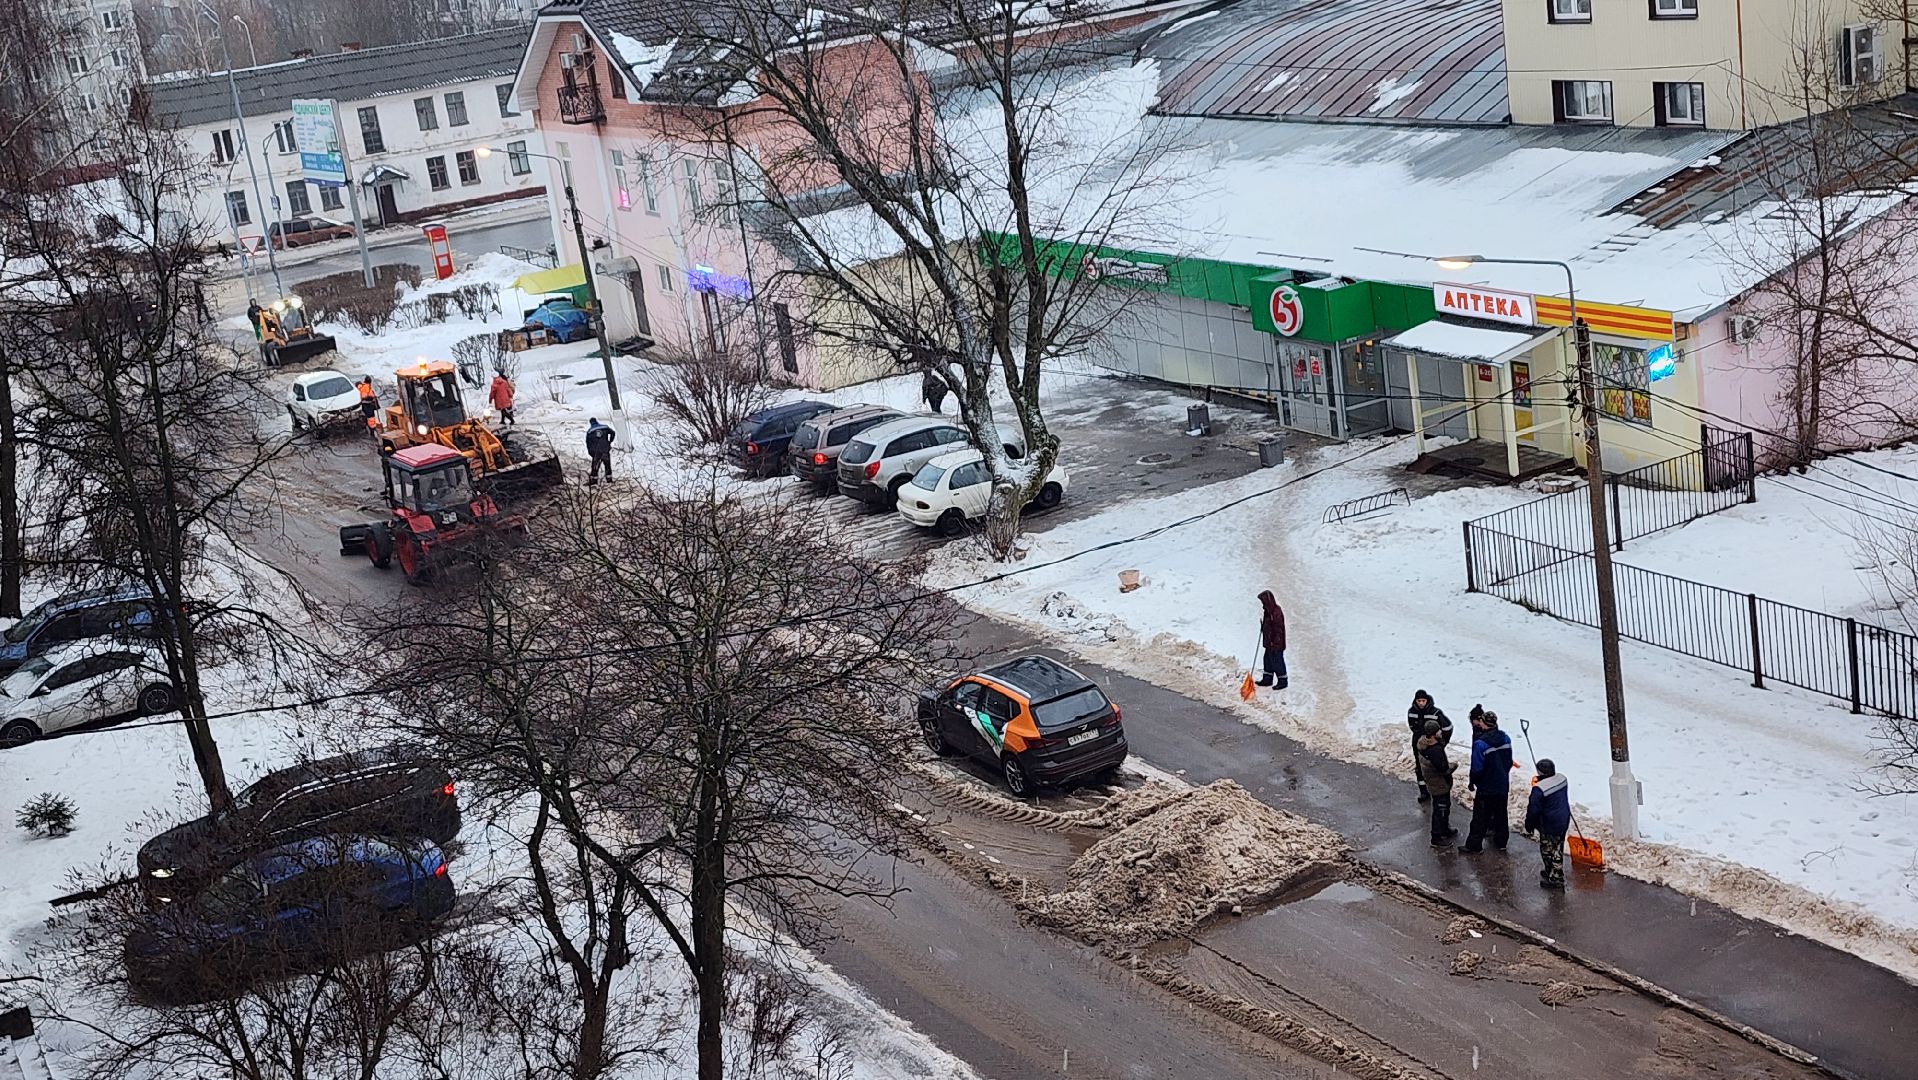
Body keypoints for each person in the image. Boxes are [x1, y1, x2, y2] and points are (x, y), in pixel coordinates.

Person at [1460, 709, 1514, 854]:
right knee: (1501, 814)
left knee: (1480, 817)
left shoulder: (1481, 744)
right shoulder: (1505, 738)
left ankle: (1474, 845)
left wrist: (1473, 782)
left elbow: (1477, 767)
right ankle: (1501, 841)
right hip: (1502, 784)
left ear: (1483, 723)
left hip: (1486, 787)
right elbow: (1508, 761)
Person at [1523, 758, 1572, 890]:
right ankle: (1551, 872)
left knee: (1548, 850)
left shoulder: (1539, 789)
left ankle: (1556, 878)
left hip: (1550, 823)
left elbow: (1533, 810)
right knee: (1558, 846)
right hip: (1564, 818)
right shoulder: (1562, 779)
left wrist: (1529, 825)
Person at [1407, 690, 1452, 803]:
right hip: (1418, 744)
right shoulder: (1412, 712)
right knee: (1420, 766)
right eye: (1419, 701)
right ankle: (1423, 791)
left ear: (1427, 700)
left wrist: (1442, 742)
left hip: (1433, 744)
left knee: (1435, 767)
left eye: (1423, 701)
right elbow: (1412, 726)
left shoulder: (1436, 712)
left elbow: (1447, 727)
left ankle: (1439, 790)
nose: (1421, 703)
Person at [1418, 719, 1456, 847]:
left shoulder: (1423, 743)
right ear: (1434, 733)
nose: (1441, 732)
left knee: (1444, 807)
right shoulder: (1434, 750)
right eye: (1438, 730)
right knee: (1440, 809)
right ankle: (1437, 837)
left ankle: (1444, 829)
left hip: (1433, 782)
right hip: (1439, 784)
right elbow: (1443, 768)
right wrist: (1453, 766)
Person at [1255, 590, 1288, 688]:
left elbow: (1279, 628)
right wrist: (1263, 628)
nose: (1262, 604)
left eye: (1263, 602)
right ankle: (1267, 679)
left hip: (1276, 643)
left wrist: (1276, 641)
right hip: (1269, 642)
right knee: (1268, 660)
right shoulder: (1267, 611)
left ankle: (1283, 681)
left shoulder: (1276, 612)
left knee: (1277, 661)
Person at [585, 418, 616, 485]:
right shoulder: (605, 427)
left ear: (591, 423)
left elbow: (588, 444)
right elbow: (613, 433)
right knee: (607, 465)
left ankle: (594, 481)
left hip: (597, 451)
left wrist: (591, 452)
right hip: (605, 449)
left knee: (595, 466)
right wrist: (609, 441)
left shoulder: (590, 431)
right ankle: (609, 480)